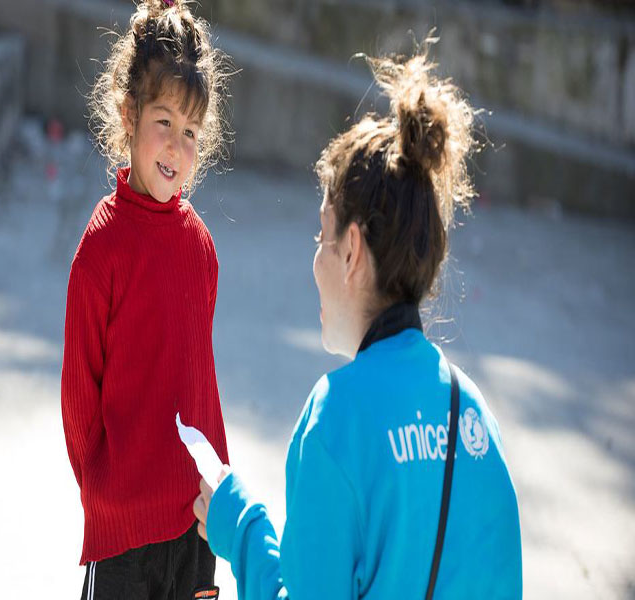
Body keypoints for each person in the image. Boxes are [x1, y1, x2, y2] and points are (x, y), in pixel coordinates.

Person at [194, 40, 523, 599]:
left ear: (351, 250)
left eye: (321, 236)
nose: (314, 260)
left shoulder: (334, 419)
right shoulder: (473, 418)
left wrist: (243, 528)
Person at [61, 0, 230, 597]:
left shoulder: (200, 247)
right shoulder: (101, 249)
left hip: (194, 526)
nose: (177, 149)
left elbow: (200, 381)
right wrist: (108, 499)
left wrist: (220, 485)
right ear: (129, 112)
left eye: (191, 133)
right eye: (164, 122)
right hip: (125, 542)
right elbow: (80, 400)